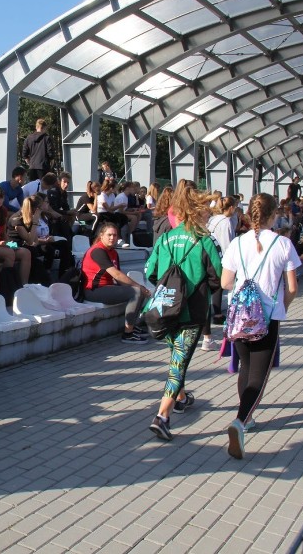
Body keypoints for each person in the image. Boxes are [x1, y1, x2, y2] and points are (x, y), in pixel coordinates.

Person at [220, 193, 300, 459]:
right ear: (274, 214)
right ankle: (240, 422)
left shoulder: (237, 243)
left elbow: (225, 283)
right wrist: (282, 306)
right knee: (259, 374)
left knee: (245, 367)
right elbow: (291, 288)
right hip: (268, 318)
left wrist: (246, 288)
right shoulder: (283, 244)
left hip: (240, 317)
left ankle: (247, 417)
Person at [145, 184, 222, 442]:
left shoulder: (165, 237)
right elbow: (218, 277)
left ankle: (180, 397)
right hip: (192, 310)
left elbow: (150, 272)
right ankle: (162, 417)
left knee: (177, 356)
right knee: (178, 363)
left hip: (166, 309)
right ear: (197, 210)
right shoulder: (204, 239)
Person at [80, 222, 150, 343]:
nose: (112, 238)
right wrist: (138, 287)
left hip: (107, 287)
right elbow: (116, 274)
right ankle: (128, 334)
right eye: (109, 235)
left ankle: (132, 326)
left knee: (138, 291)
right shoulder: (98, 251)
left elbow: (118, 278)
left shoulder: (113, 251)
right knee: (137, 291)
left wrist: (137, 289)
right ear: (101, 236)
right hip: (93, 290)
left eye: (115, 235)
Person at [8, 194, 74, 283]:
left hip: (26, 244)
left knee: (57, 246)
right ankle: (25, 283)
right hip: (13, 244)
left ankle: (60, 275)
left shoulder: (29, 218)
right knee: (32, 252)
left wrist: (42, 242)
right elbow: (30, 240)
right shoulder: (17, 219)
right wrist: (35, 222)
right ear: (36, 209)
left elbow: (34, 241)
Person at [207, 196, 237, 325]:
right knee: (220, 286)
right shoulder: (225, 222)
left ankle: (215, 313)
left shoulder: (213, 219)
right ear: (230, 208)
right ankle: (218, 314)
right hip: (220, 256)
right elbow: (226, 243)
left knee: (215, 286)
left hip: (210, 255)